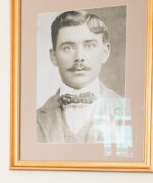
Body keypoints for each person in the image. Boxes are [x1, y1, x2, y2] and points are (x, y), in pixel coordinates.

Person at [36, 10, 132, 152]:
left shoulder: (126, 112)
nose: (79, 57)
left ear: (105, 52)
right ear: (54, 56)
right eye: (68, 48)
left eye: (89, 45)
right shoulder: (35, 118)